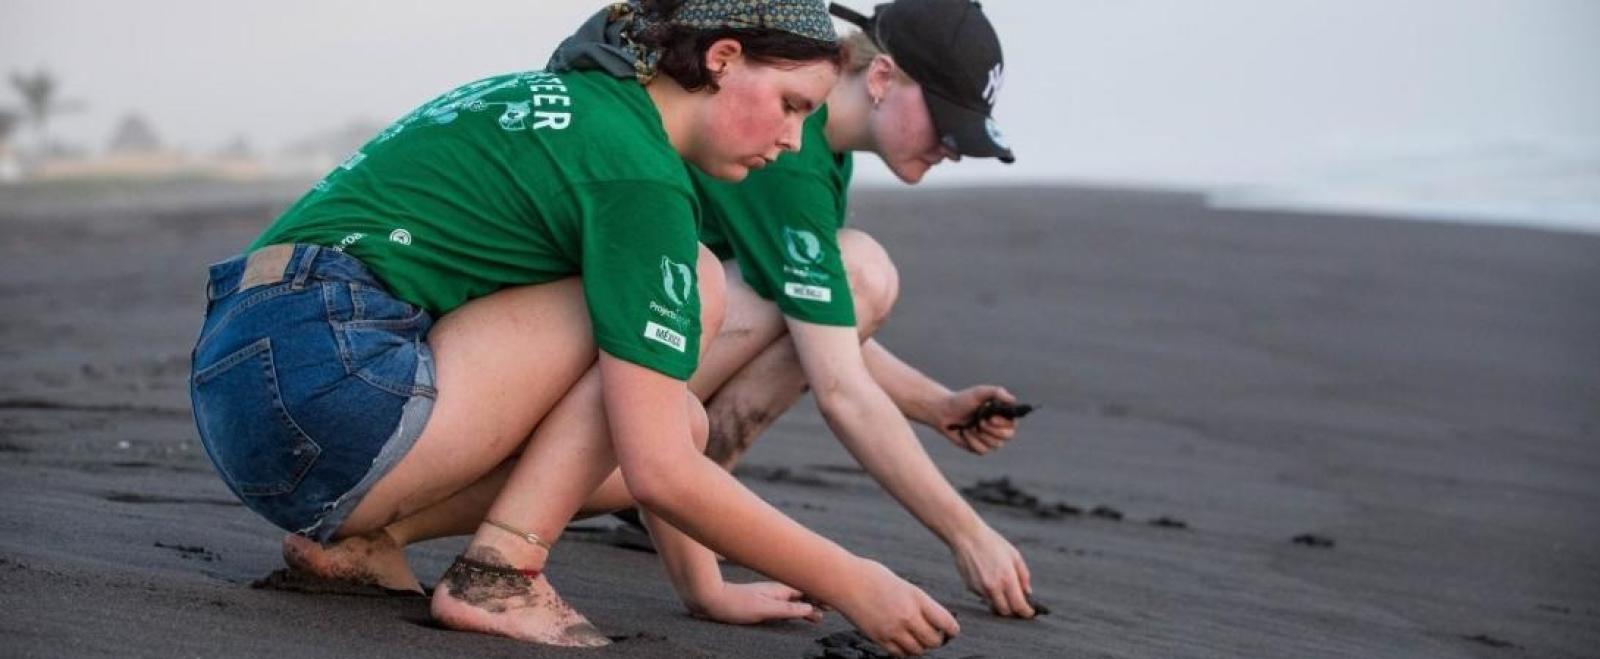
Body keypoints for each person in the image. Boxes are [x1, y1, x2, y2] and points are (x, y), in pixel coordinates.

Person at [189, 1, 959, 655]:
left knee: (677, 413)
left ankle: (355, 544)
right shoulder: (637, 174)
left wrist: (706, 589)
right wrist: (855, 579)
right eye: (792, 105)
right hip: (328, 378)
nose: (794, 140)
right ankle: (499, 573)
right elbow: (657, 467)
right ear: (723, 58)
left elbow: (656, 434)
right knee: (691, 288)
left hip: (247, 378)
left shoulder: (570, 102)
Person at [677, 0, 1039, 620]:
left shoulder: (816, 146)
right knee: (860, 269)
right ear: (881, 78)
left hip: (628, 355)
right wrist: (967, 534)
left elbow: (813, 318)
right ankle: (690, 485)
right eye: (946, 124)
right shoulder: (787, 152)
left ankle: (684, 484)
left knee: (848, 276)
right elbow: (839, 383)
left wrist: (934, 405)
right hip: (608, 374)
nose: (952, 149)